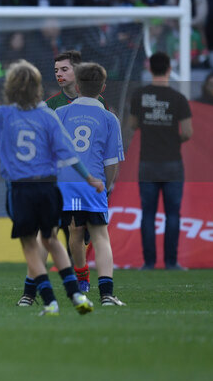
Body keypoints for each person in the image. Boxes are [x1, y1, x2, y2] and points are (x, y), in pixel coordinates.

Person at [0, 63, 102, 316]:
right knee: (52, 240)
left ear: (9, 89)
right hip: (47, 186)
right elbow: (69, 154)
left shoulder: (2, 114)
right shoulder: (47, 116)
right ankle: (76, 295)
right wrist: (90, 179)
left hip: (21, 190)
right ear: (37, 89)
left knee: (31, 247)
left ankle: (50, 302)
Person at [56, 63, 126, 306]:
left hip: (67, 184)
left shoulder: (62, 114)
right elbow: (111, 161)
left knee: (74, 232)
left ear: (76, 86)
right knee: (100, 236)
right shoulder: (109, 118)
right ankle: (106, 293)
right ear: (103, 88)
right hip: (94, 183)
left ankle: (82, 279)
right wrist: (107, 187)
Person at [127, 52, 192, 271]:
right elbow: (188, 132)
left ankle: (149, 262)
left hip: (148, 162)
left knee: (148, 214)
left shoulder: (140, 95)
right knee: (173, 214)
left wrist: (151, 124)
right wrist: (172, 136)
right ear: (169, 69)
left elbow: (133, 124)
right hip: (172, 162)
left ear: (149, 69)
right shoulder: (178, 98)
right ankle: (172, 262)